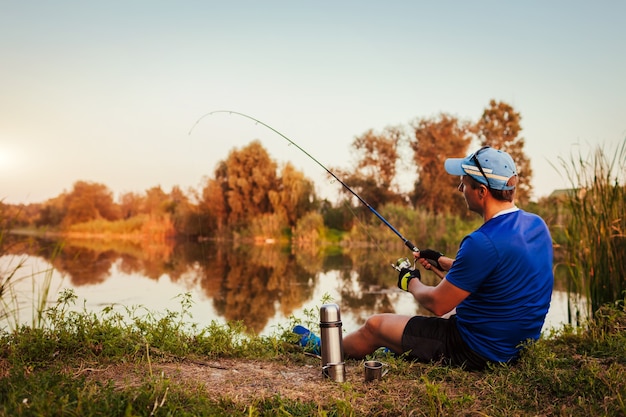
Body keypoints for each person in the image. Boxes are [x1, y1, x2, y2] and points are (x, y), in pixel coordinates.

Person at [339, 146, 554, 370]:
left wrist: (410, 281)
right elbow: (502, 271)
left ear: (482, 191)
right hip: (517, 345)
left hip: (478, 350)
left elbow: (437, 303)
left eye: (464, 183)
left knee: (375, 325)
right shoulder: (537, 225)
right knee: (452, 312)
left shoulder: (480, 242)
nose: (460, 188)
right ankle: (392, 343)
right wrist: (443, 261)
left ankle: (326, 348)